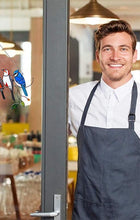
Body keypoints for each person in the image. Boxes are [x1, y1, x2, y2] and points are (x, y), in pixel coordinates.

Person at [69, 20, 140, 219]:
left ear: (134, 55)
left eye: (123, 49)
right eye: (107, 49)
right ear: (98, 56)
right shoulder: (75, 98)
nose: (115, 56)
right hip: (87, 213)